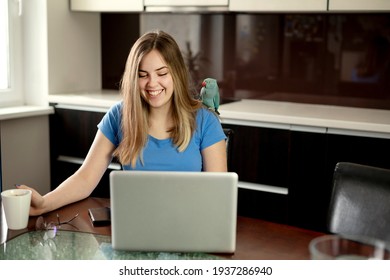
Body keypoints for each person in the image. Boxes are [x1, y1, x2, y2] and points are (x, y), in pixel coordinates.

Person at [19, 30, 227, 216]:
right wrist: (44, 204)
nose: (152, 84)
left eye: (162, 74)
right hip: (134, 226)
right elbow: (85, 178)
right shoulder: (119, 115)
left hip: (189, 225)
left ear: (177, 74)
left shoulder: (205, 121)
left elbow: (218, 197)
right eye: (142, 75)